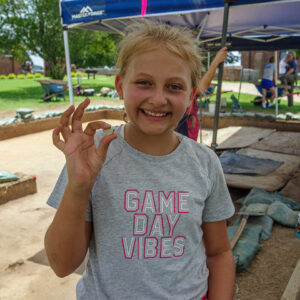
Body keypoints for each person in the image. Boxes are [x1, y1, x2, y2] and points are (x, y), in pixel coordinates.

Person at [44, 21, 235, 300]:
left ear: (192, 95)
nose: (158, 99)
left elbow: (219, 253)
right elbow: (62, 265)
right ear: (120, 86)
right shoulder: (93, 156)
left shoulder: (205, 163)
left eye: (174, 86)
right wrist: (79, 185)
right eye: (144, 83)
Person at [177, 47, 228, 141]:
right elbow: (201, 88)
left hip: (188, 126)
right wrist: (215, 63)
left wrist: (190, 116)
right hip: (182, 129)